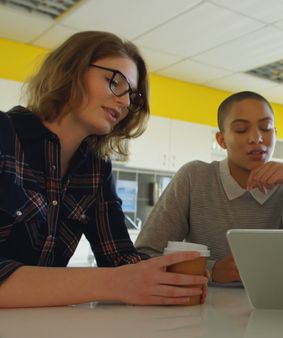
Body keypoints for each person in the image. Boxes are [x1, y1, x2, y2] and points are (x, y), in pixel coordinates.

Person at [0, 31, 208, 308]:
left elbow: (119, 254)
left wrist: (166, 278)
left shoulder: (97, 167)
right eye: (115, 82)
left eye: (132, 95)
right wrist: (115, 282)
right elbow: (118, 277)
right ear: (71, 69)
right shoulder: (4, 134)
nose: (124, 103)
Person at [135, 91, 283, 283]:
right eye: (241, 130)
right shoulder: (194, 178)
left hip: (273, 306)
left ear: (275, 134)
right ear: (221, 140)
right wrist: (211, 270)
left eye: (266, 128)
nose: (256, 138)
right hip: (203, 308)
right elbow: (145, 255)